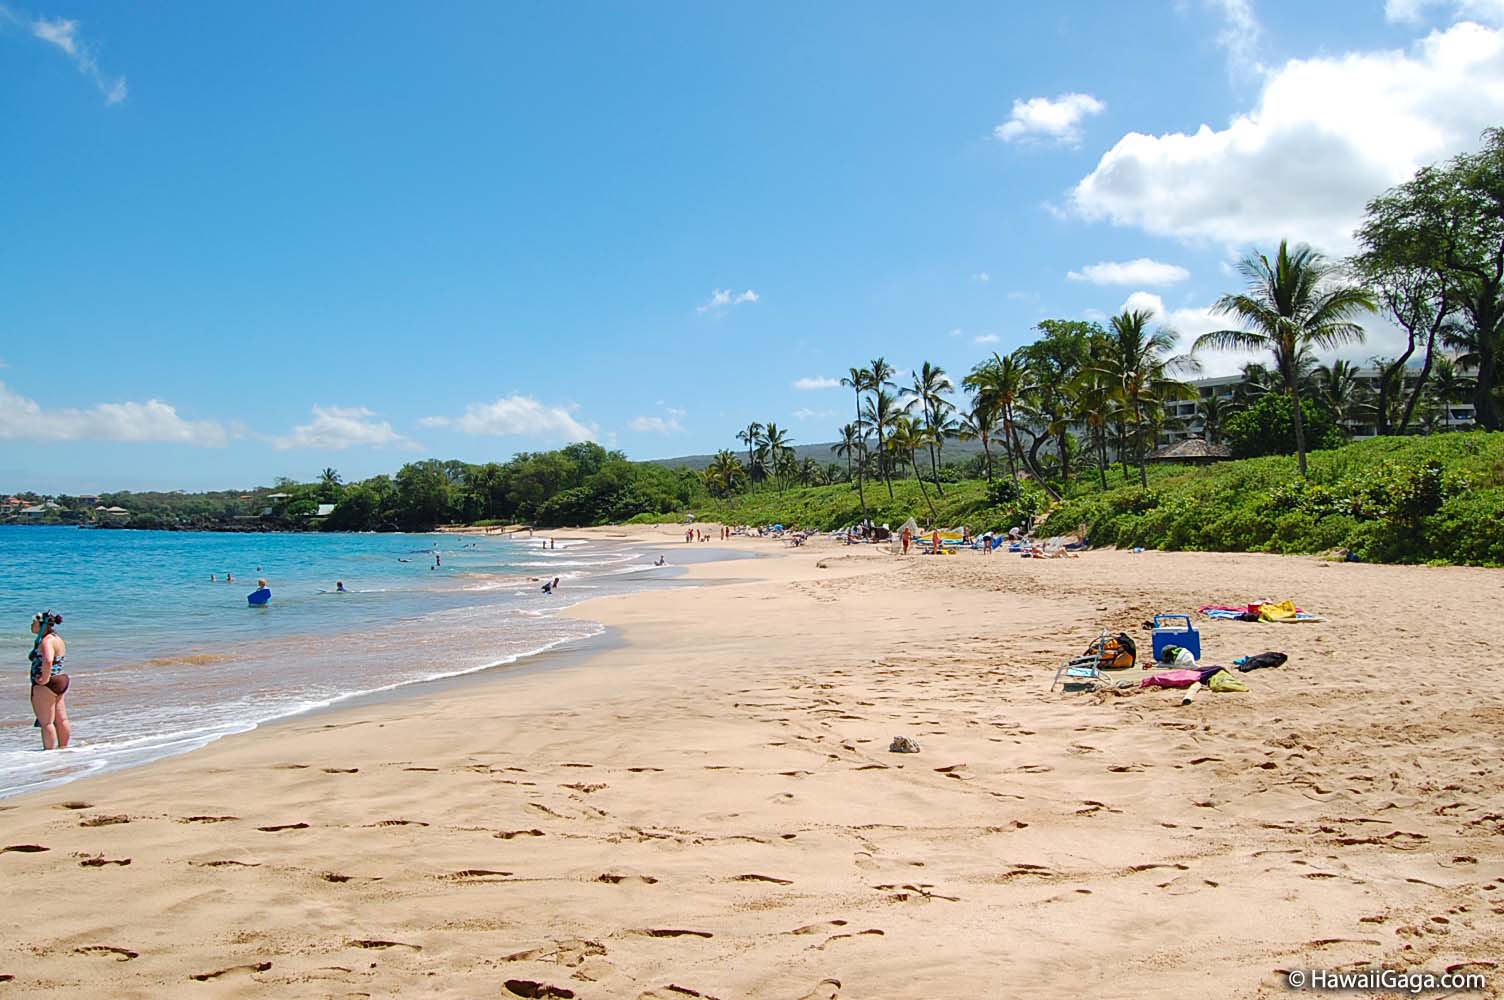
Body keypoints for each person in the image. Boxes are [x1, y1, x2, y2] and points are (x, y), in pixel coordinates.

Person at [28, 610, 71, 750]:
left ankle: (49, 753)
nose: (31, 626)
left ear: (42, 625)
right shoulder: (57, 638)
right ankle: (64, 748)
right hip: (60, 679)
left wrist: (44, 679)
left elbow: (47, 660)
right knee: (61, 719)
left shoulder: (47, 641)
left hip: (48, 682)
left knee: (46, 722)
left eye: (33, 623)